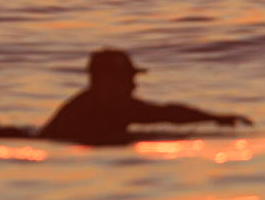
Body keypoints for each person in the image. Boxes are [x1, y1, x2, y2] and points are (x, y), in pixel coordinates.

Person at [40, 49, 252, 146]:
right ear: (105, 81)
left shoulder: (114, 106)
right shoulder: (85, 111)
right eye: (127, 79)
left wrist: (214, 118)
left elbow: (167, 113)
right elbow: (166, 114)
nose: (134, 86)